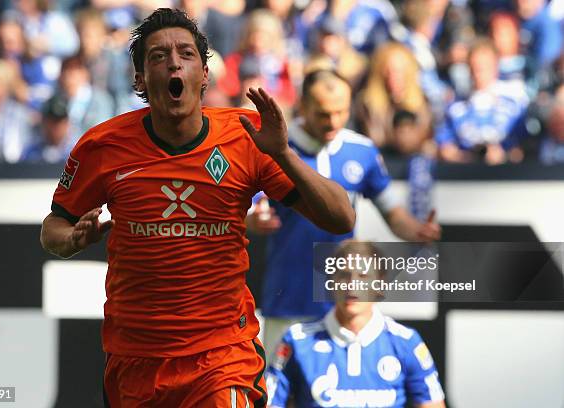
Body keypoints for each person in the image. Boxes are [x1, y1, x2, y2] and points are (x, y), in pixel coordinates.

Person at [39, 8, 355, 408]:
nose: (174, 62)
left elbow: (341, 217)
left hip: (222, 356)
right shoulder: (102, 147)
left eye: (186, 54)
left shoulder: (247, 137)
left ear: (204, 75)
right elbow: (52, 228)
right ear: (139, 78)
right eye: (158, 56)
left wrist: (284, 156)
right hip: (136, 360)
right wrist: (72, 239)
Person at [245, 70, 441, 361]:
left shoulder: (361, 151)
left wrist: (416, 230)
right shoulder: (273, 147)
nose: (333, 122)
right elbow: (244, 211)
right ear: (304, 106)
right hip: (287, 299)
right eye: (324, 114)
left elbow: (393, 213)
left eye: (341, 112)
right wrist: (252, 221)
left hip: (343, 305)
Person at [265, 240, 446, 408]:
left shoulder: (406, 342)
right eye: (344, 275)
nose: (352, 286)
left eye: (363, 276)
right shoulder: (298, 340)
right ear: (331, 281)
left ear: (380, 284)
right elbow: (270, 403)